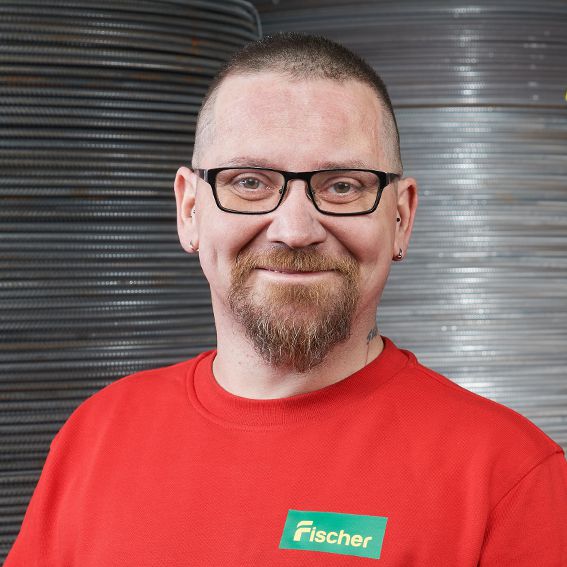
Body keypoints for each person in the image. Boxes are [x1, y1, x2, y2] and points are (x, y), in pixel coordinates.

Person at [5, 32, 567, 566]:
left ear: (400, 217)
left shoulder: (509, 477)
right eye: (249, 182)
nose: (295, 230)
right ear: (190, 209)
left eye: (342, 186)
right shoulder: (97, 436)